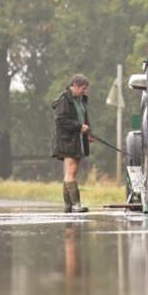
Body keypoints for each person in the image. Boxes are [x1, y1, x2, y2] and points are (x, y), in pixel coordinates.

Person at [52, 74, 93, 212]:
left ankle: (68, 205)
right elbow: (60, 121)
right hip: (67, 140)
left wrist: (88, 133)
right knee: (72, 170)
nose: (84, 91)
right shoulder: (64, 100)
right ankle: (76, 204)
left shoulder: (81, 100)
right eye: (83, 88)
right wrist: (79, 127)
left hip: (79, 139)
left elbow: (83, 118)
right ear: (74, 86)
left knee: (71, 172)